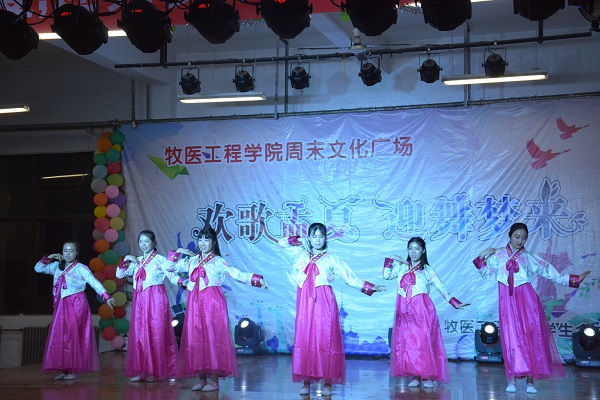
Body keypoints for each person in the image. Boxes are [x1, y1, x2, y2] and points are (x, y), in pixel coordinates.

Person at [473, 222, 591, 394]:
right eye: (516, 237)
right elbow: (484, 273)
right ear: (510, 236)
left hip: (527, 301)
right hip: (507, 302)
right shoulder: (498, 255)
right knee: (511, 339)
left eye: (523, 238)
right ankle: (512, 379)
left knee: (530, 337)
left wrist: (574, 280)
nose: (519, 241)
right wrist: (482, 256)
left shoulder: (529, 257)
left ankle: (530, 381)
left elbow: (551, 273)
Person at [278, 222, 386, 396]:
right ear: (309, 238)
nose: (317, 240)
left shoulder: (331, 259)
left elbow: (349, 277)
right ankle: (306, 381)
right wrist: (298, 240)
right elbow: (281, 243)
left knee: (326, 339)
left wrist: (369, 287)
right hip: (305, 301)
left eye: (321, 236)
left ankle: (328, 383)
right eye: (314, 236)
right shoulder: (300, 253)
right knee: (306, 338)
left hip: (324, 301)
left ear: (326, 238)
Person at [169, 226, 268, 392]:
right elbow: (169, 268)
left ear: (213, 242)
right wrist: (178, 254)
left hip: (212, 303)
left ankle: (214, 381)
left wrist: (257, 279)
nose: (202, 243)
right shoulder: (191, 261)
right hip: (195, 303)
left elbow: (237, 274)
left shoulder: (218, 261)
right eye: (200, 239)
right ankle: (201, 378)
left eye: (206, 239)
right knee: (196, 339)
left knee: (212, 338)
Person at [383, 237, 468, 389]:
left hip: (422, 310)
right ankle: (415, 376)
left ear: (423, 250)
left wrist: (454, 302)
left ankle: (427, 376)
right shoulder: (401, 267)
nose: (413, 252)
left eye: (417, 248)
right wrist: (390, 260)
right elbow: (386, 275)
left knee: (423, 342)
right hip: (404, 310)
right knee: (409, 343)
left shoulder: (427, 270)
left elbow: (441, 287)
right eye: (410, 248)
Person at [34, 241, 116, 380]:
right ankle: (64, 369)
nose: (68, 253)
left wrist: (106, 296)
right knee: (61, 335)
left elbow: (94, 282)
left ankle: (73, 369)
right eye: (65, 250)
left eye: (71, 251)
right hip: (61, 304)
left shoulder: (80, 268)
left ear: (76, 253)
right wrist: (51, 256)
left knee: (73, 335)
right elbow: (38, 268)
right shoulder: (57, 266)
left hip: (76, 303)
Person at [116, 230, 178, 382]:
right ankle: (142, 371)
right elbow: (119, 274)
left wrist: (185, 283)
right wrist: (126, 260)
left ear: (154, 242)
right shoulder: (136, 261)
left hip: (156, 300)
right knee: (140, 334)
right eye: (141, 241)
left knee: (155, 333)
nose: (143, 244)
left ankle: (155, 371)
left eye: (147, 241)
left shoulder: (160, 260)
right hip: (140, 301)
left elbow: (172, 274)